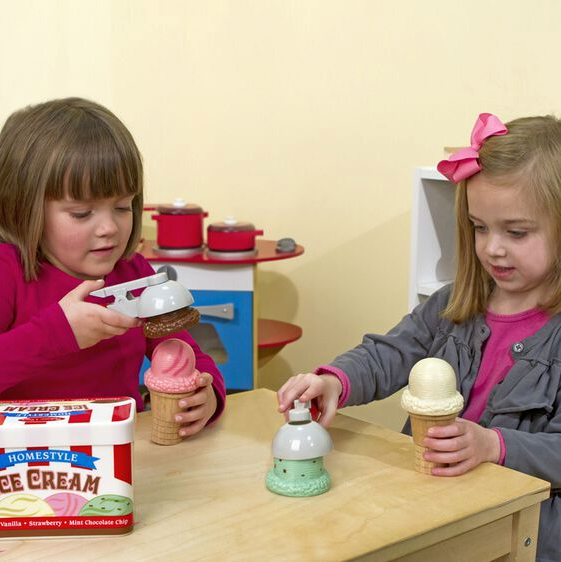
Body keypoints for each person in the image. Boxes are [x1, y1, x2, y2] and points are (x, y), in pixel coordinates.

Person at [277, 113, 561, 561]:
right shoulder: (455, 303)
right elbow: (391, 353)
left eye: (517, 232)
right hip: (428, 514)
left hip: (517, 537)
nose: (492, 248)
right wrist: (335, 381)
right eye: (479, 227)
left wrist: (495, 445)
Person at [0, 97, 226, 438]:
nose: (110, 227)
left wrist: (208, 394)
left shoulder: (134, 273)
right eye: (81, 213)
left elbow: (182, 350)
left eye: (122, 207)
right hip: (25, 465)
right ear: (23, 206)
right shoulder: (8, 273)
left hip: (118, 456)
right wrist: (57, 334)